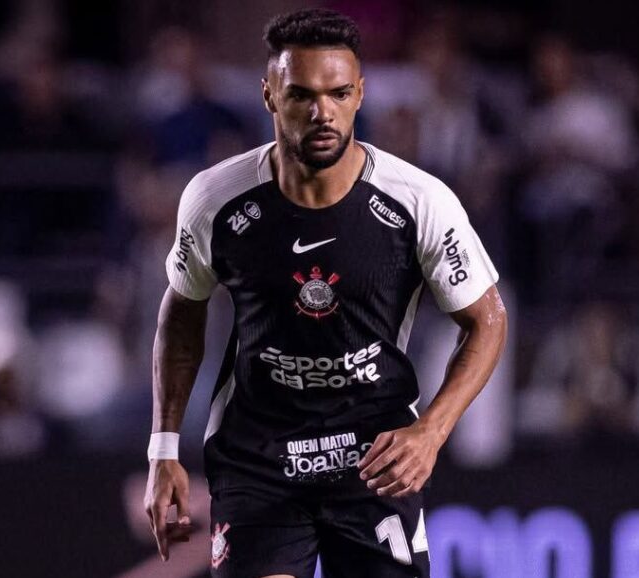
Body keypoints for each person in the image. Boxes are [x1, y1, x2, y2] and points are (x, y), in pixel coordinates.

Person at [143, 9, 507, 577]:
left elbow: (487, 319)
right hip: (258, 457)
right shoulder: (216, 198)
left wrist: (431, 431)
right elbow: (182, 308)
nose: (322, 113)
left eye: (338, 93)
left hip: (374, 458)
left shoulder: (420, 201)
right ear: (269, 96)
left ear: (360, 93)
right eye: (301, 95)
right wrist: (163, 448)